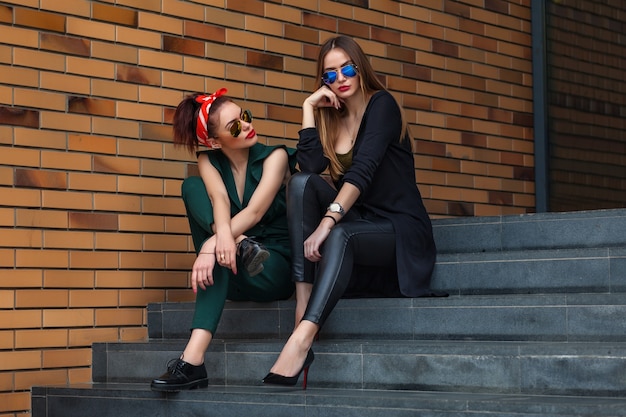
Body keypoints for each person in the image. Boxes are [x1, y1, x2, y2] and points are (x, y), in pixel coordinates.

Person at [262, 36, 442, 390]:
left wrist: (327, 222)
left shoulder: (383, 105)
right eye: (330, 74)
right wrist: (308, 109)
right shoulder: (332, 117)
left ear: (360, 69)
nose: (341, 78)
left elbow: (363, 171)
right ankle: (302, 307)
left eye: (347, 69)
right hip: (363, 223)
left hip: (400, 230)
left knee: (341, 233)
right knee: (299, 184)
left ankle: (302, 339)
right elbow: (310, 167)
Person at [151, 88, 296, 391]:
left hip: (271, 267)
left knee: (218, 246)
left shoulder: (276, 157)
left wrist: (211, 243)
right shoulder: (208, 160)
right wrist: (228, 239)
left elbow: (255, 211)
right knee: (192, 187)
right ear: (215, 141)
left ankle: (191, 362)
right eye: (234, 126)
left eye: (244, 116)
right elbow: (219, 200)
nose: (245, 126)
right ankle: (193, 364)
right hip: (233, 264)